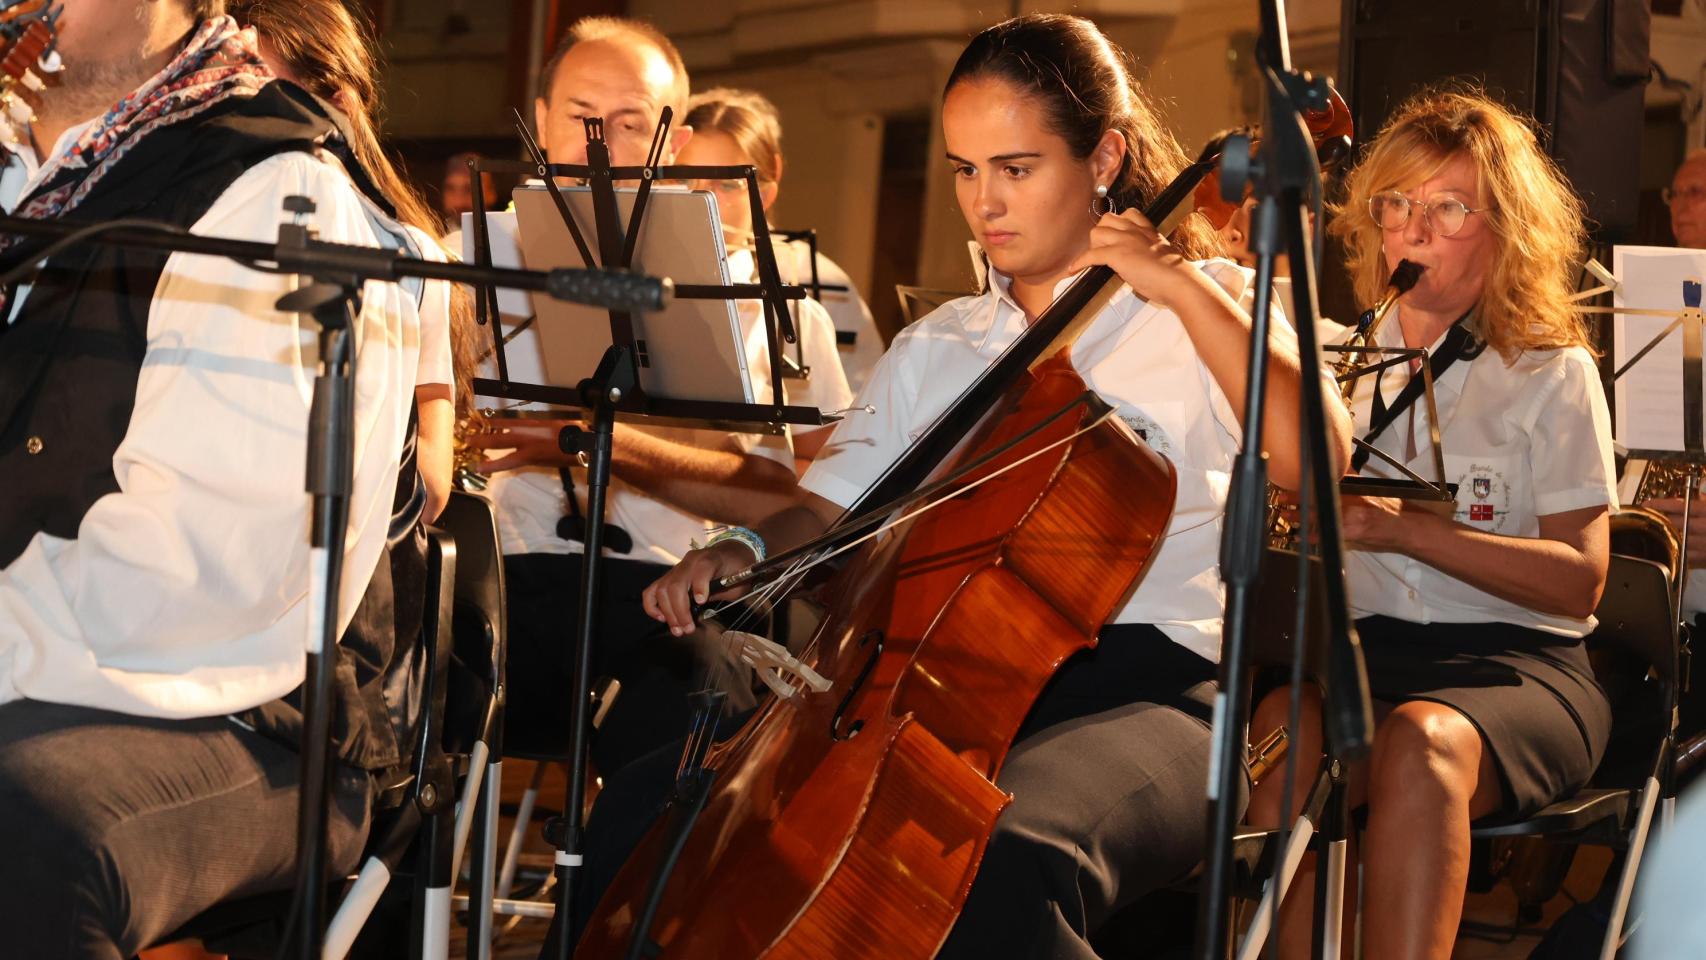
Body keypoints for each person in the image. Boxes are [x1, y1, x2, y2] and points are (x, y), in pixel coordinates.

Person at [633, 14, 1350, 958]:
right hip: (946, 684)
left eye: (1015, 168)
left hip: (1156, 693)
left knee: (1006, 853)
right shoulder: (944, 343)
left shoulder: (1199, 303)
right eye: (966, 170)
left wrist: (1177, 284)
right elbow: (832, 503)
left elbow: (1320, 461)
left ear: (1104, 159)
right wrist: (747, 548)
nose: (985, 202)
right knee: (666, 807)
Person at [0, 3, 430, 957]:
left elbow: (204, 573)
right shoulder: (19, 174)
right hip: (42, 652)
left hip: (242, 707)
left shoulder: (277, 188)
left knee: (19, 835)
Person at [1248, 88, 1616, 960]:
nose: (1411, 231)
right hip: (1357, 652)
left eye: (1448, 207)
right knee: (1279, 737)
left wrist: (1402, 530)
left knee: (1421, 743)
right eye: (1397, 205)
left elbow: (1581, 577)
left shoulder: (1550, 372)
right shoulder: (1330, 364)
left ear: (1505, 230)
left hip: (1518, 666)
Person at [470, 16, 802, 775]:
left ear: (673, 143)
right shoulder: (473, 258)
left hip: (660, 593)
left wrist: (585, 441)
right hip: (501, 572)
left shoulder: (741, 292)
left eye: (630, 125)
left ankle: (628, 897)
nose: (601, 147)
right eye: (584, 117)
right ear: (542, 120)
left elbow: (775, 497)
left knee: (704, 706)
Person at [232, 0, 474, 525]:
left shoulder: (410, 259)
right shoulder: (195, 222)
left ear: (335, 105)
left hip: (350, 551)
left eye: (260, 95)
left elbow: (431, 476)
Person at [676, 87, 854, 466]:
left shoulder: (792, 317)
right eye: (686, 179)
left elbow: (823, 460)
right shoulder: (632, 291)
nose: (702, 199)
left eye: (727, 184)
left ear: (766, 191)